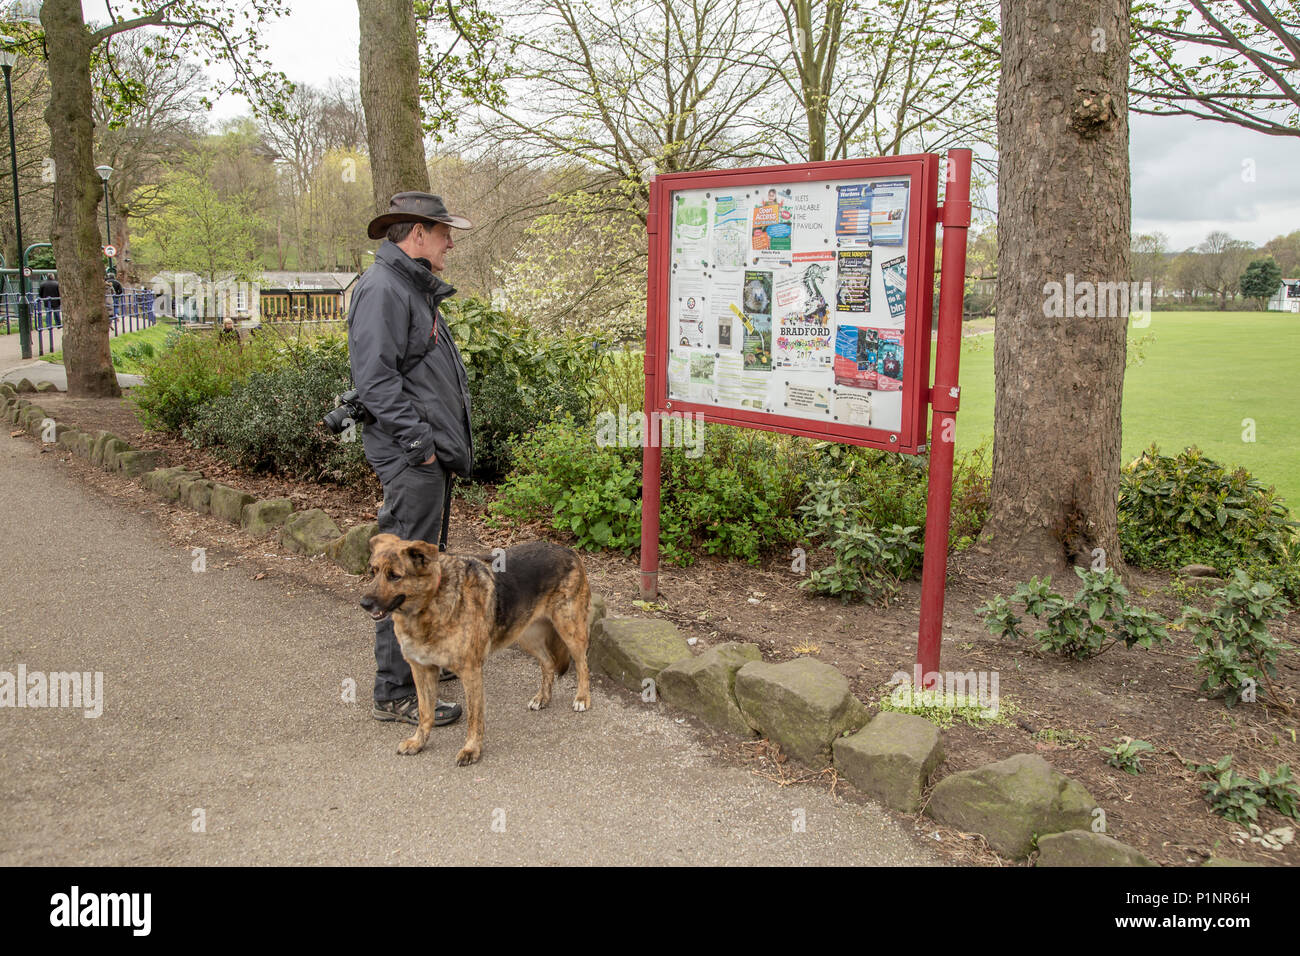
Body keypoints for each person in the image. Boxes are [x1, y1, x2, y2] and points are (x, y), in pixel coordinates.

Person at [348, 191, 475, 729]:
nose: (451, 241)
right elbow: (374, 380)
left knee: (425, 568)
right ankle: (395, 693)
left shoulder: (409, 287)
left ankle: (421, 660)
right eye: (444, 231)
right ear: (416, 234)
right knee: (398, 576)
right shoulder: (384, 288)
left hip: (425, 457)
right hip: (411, 458)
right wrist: (420, 445)